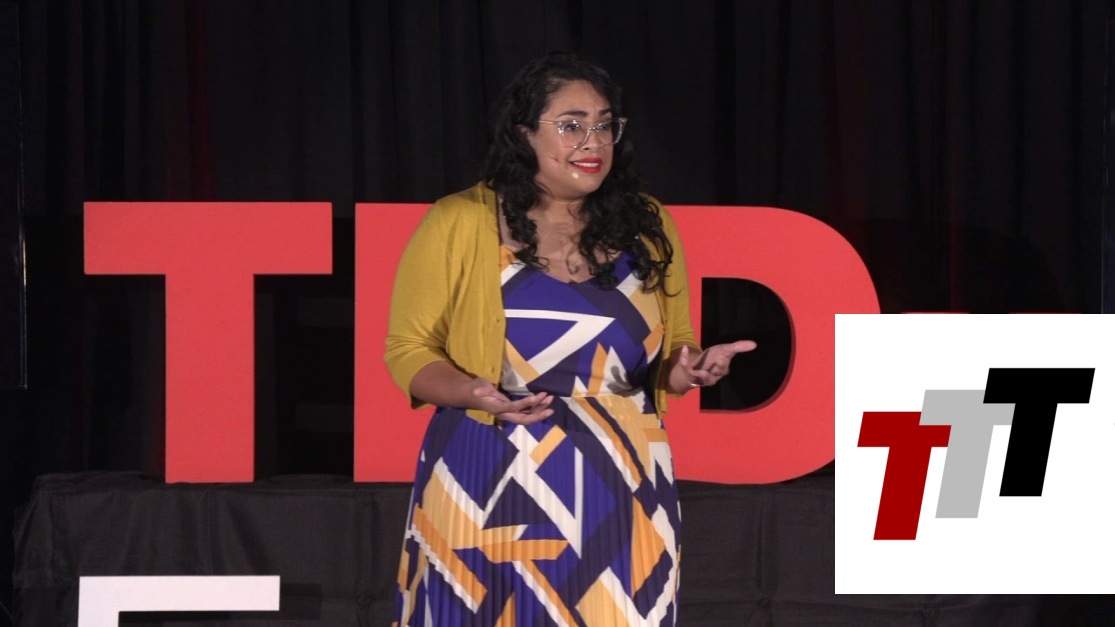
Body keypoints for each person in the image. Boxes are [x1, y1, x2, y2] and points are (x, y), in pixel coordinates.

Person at [384, 51, 755, 626]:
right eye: (571, 125)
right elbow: (408, 350)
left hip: (620, 480)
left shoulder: (648, 225)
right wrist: (471, 392)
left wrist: (689, 369)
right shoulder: (457, 221)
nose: (593, 141)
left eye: (605, 125)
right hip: (487, 467)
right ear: (523, 133)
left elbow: (673, 348)